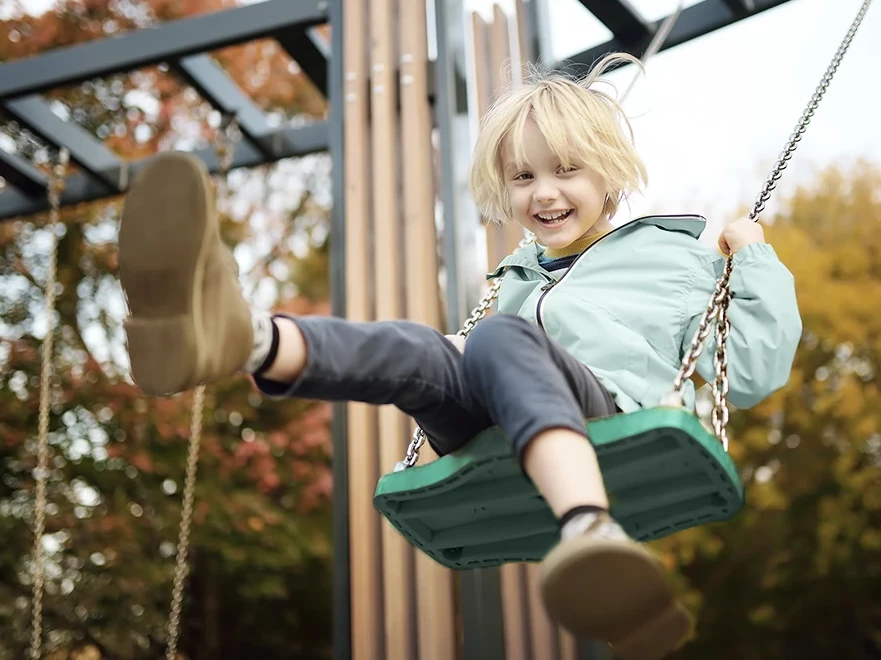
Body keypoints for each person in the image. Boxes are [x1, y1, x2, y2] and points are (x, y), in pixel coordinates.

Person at [117, 53, 801, 659]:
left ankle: (590, 528)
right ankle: (242, 337)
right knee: (424, 348)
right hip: (492, 426)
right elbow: (471, 363)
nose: (543, 193)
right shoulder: (514, 276)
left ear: (610, 174)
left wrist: (754, 261)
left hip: (608, 420)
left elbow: (749, 373)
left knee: (495, 341)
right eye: (523, 176)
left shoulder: (671, 254)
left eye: (566, 170)